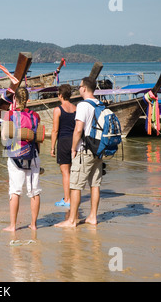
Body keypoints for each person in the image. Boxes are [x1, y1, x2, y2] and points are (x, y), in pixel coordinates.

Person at [55, 77, 103, 227]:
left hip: (85, 150)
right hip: (99, 148)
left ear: (84, 88)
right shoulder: (99, 104)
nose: (79, 88)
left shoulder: (83, 105)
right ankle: (93, 217)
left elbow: (78, 129)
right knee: (95, 184)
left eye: (80, 86)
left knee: (75, 185)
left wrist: (73, 148)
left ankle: (71, 221)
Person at [2, 87, 42, 232]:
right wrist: (38, 156)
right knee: (34, 191)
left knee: (15, 190)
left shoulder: (10, 114)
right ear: (27, 99)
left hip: (15, 155)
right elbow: (37, 138)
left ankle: (13, 226)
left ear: (15, 100)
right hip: (33, 154)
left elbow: (4, 137)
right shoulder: (35, 116)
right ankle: (34, 224)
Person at [51, 84, 76, 207]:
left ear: (60, 95)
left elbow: (55, 130)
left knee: (65, 172)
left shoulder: (58, 110)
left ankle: (67, 199)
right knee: (72, 171)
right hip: (75, 142)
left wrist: (52, 147)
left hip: (63, 141)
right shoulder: (75, 108)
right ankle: (73, 197)